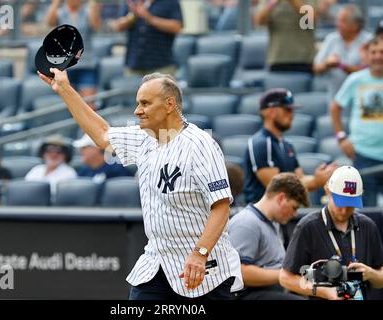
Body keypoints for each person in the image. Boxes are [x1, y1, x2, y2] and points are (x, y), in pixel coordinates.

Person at [38, 68, 243, 300]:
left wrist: (200, 253)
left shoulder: (201, 145)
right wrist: (65, 89)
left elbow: (221, 206)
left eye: (145, 103)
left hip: (203, 270)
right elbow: (102, 134)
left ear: (169, 104)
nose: (137, 111)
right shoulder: (145, 137)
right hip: (157, 263)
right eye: (137, 103)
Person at [280, 166, 383, 299]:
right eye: (340, 203)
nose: (344, 210)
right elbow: (285, 278)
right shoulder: (308, 226)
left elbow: (380, 280)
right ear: (328, 191)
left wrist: (371, 274)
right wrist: (325, 292)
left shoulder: (368, 226)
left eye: (350, 205)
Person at [244, 88, 338, 204]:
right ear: (271, 112)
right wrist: (315, 181)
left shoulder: (287, 145)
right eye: (287, 110)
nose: (292, 115)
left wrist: (322, 177)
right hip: (260, 217)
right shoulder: (261, 143)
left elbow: (300, 180)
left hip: (282, 215)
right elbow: (277, 187)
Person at [229, 173, 309, 300]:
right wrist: (286, 276)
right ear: (281, 198)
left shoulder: (273, 222)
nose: (294, 214)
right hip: (246, 294)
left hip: (270, 291)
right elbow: (241, 273)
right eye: (294, 207)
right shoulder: (246, 223)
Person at [330, 36, 383, 207]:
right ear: (366, 55)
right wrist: (341, 137)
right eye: (373, 52)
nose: (377, 56)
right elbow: (335, 107)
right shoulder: (355, 80)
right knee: (367, 213)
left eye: (382, 52)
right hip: (363, 155)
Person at [313, 5, 372, 102]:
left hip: (362, 97)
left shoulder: (369, 40)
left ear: (356, 25)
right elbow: (316, 68)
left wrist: (341, 65)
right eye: (338, 20)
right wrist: (327, 64)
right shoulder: (331, 39)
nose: (338, 24)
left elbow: (370, 70)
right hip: (335, 97)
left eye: (343, 21)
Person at [45, 0, 101, 101]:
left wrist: (93, 5)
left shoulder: (88, 11)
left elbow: (96, 26)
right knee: (68, 104)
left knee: (89, 104)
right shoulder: (60, 13)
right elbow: (49, 22)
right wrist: (56, 2)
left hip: (86, 64)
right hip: (66, 66)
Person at [109, 0, 183, 76]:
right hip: (133, 65)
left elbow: (177, 27)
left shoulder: (171, 2)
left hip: (162, 66)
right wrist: (132, 17)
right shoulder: (132, 2)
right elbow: (118, 26)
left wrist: (150, 19)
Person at [254, 0, 317, 74]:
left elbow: (311, 19)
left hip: (303, 59)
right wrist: (273, 3)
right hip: (277, 59)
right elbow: (259, 21)